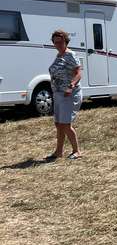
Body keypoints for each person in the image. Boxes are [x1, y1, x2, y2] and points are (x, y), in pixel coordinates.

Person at [46, 29, 82, 161]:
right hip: (58, 94)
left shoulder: (70, 54)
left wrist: (71, 86)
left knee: (66, 124)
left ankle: (77, 151)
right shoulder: (59, 55)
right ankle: (58, 152)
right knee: (58, 124)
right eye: (55, 42)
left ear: (66, 41)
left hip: (69, 94)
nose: (58, 45)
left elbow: (78, 73)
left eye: (60, 42)